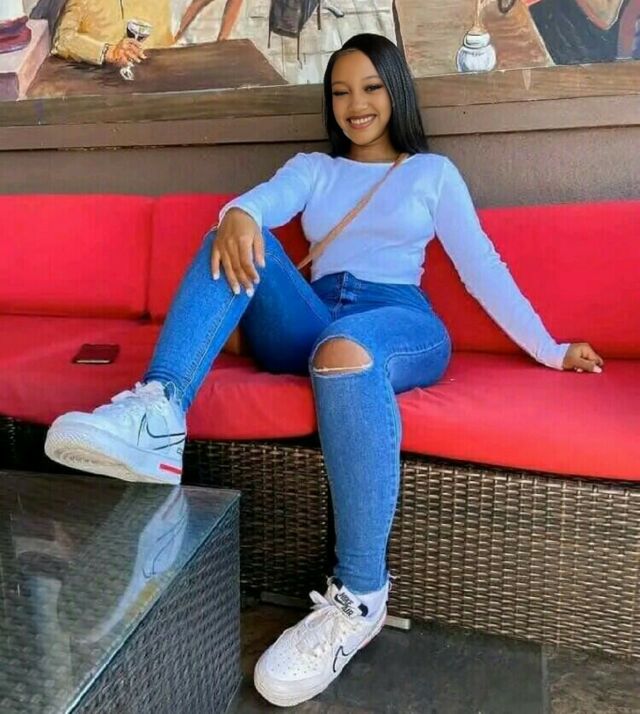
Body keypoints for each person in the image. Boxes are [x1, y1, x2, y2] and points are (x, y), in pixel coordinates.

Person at [44, 32, 604, 707]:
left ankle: (360, 596)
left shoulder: (431, 174)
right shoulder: (314, 168)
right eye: (340, 92)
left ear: (396, 91)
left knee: (344, 348)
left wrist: (550, 348)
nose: (355, 104)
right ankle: (159, 413)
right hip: (312, 317)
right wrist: (240, 213)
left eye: (370, 88)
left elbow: (482, 268)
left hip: (397, 321)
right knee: (234, 232)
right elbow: (259, 204)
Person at [52, 0, 173, 67]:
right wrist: (108, 52)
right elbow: (62, 39)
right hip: (101, 84)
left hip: (154, 80)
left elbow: (167, 44)